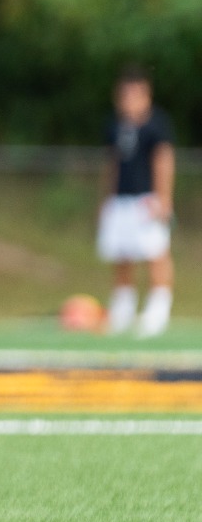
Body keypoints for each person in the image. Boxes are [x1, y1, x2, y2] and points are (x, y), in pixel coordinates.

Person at [100, 67, 175, 337]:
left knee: (155, 252)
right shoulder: (116, 125)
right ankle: (123, 308)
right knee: (122, 253)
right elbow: (112, 164)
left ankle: (158, 308)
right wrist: (106, 199)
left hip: (146, 199)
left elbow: (164, 161)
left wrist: (163, 198)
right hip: (121, 199)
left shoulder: (156, 125)